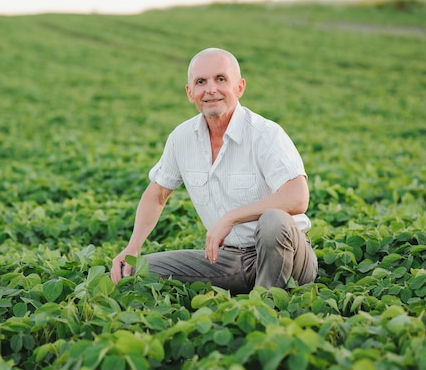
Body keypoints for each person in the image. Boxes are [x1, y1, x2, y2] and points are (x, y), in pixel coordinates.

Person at [110, 48, 318, 294]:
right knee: (135, 271)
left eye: (221, 79)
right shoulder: (181, 138)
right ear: (190, 93)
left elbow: (298, 197)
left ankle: (267, 306)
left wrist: (231, 217)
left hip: (289, 257)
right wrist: (132, 247)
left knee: (273, 220)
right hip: (232, 260)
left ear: (239, 87)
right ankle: (255, 291)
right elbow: (158, 194)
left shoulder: (265, 134)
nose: (210, 90)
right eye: (200, 82)